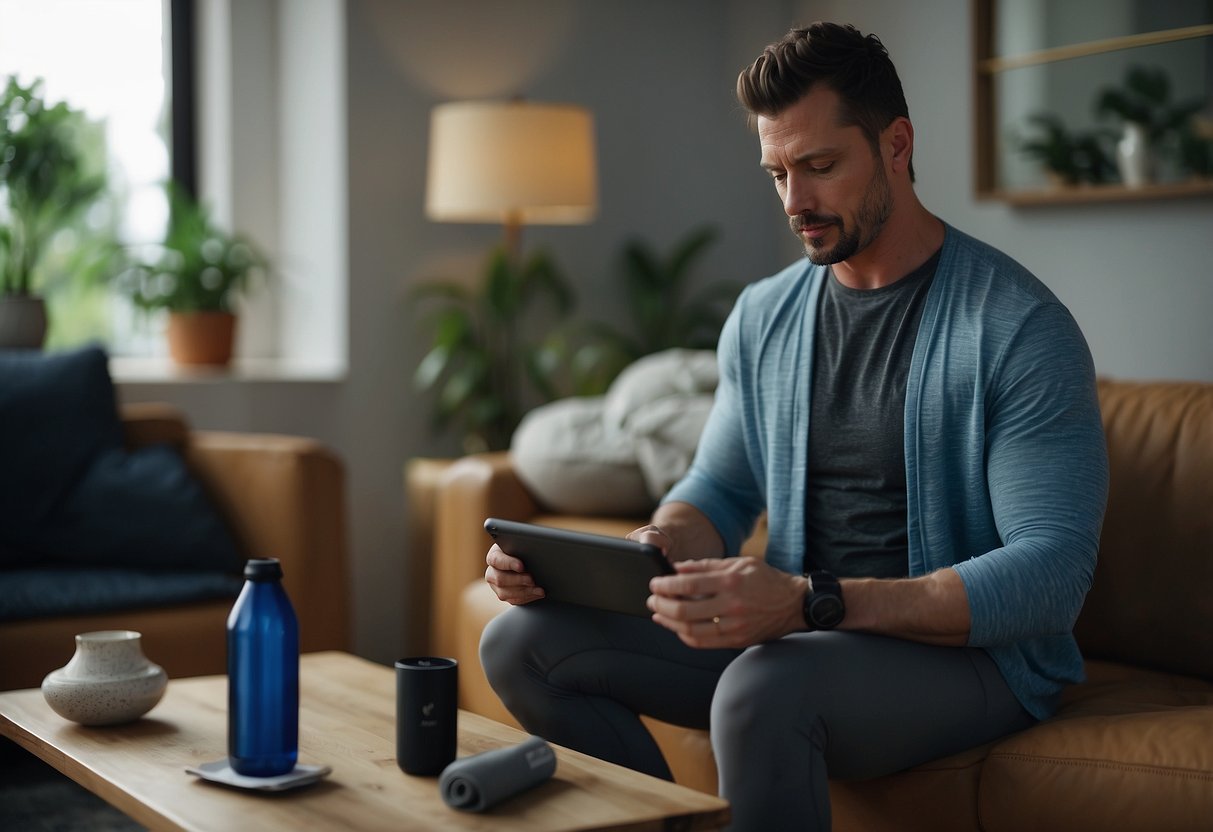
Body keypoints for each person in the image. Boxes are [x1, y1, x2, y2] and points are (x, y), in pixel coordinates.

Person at [480, 21, 1108, 832]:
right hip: (796, 635)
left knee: (762, 685)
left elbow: (1051, 574)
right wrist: (657, 544)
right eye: (776, 172)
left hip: (965, 661)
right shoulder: (764, 315)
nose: (794, 202)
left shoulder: (1015, 327)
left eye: (818, 167)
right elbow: (719, 488)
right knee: (520, 641)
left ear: (895, 145)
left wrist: (811, 602)